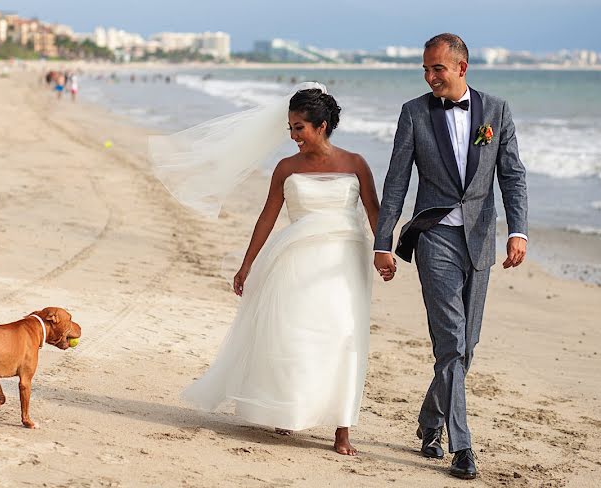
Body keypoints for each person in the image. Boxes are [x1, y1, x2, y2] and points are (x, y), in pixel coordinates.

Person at [174, 85, 383, 456]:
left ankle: (342, 429)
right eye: (290, 128)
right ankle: (289, 410)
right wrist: (246, 264)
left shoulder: (355, 163)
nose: (293, 136)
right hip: (296, 259)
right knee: (296, 333)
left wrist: (385, 252)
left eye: (299, 127)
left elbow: (374, 212)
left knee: (343, 336)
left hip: (344, 263)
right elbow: (268, 216)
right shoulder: (287, 168)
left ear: (321, 126)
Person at [373, 33, 528, 480]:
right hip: (434, 236)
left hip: (481, 240)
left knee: (467, 347)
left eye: (437, 68)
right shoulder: (414, 113)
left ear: (462, 67)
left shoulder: (497, 111)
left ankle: (429, 424)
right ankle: (462, 447)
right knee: (451, 343)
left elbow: (513, 175)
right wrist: (384, 241)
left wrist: (518, 231)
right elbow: (397, 181)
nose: (430, 76)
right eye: (425, 69)